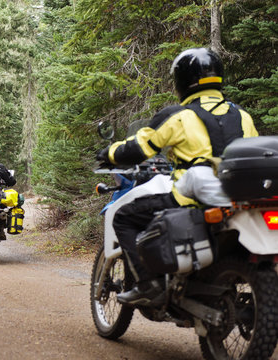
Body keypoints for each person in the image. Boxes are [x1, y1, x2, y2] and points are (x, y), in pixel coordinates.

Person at [96, 48, 258, 305]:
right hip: (237, 199)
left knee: (125, 217)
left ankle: (148, 284)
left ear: (182, 81)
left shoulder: (181, 116)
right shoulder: (242, 116)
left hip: (190, 199)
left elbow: (140, 147)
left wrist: (110, 152)